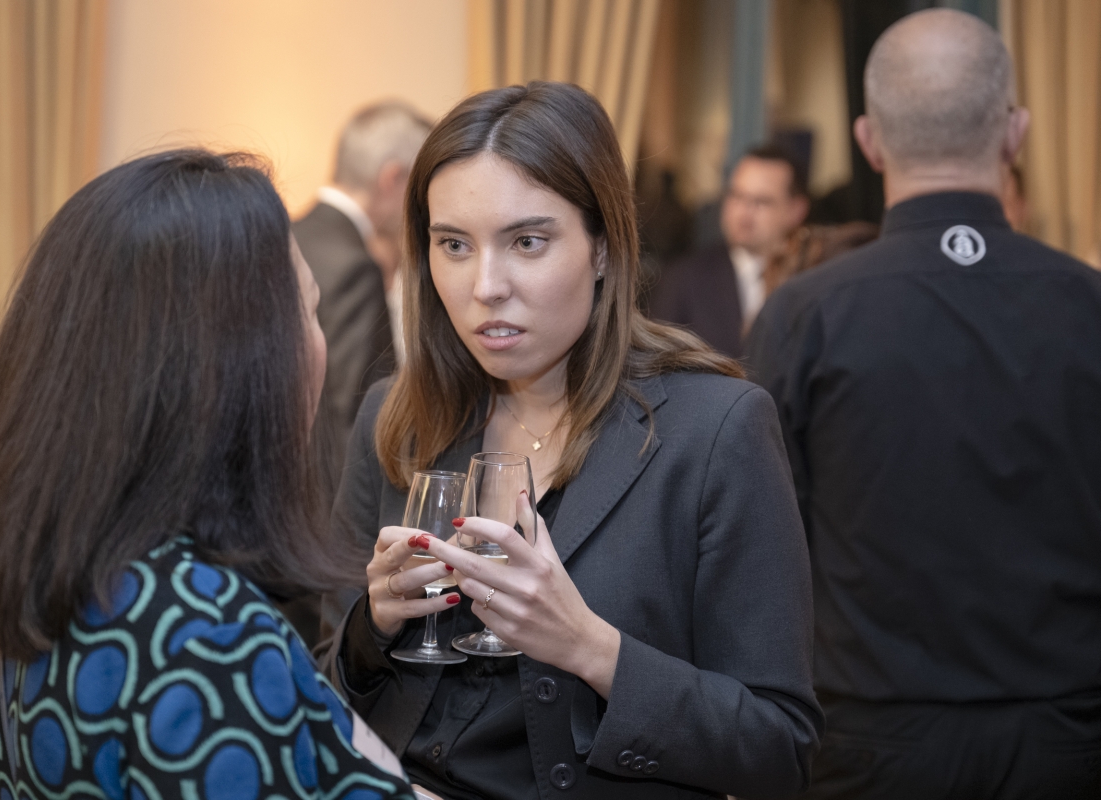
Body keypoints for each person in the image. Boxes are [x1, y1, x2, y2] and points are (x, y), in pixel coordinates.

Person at [324, 81, 822, 799]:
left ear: (603, 248)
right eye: (454, 245)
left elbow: (778, 748)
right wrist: (370, 628)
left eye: (527, 242)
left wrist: (591, 648)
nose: (485, 286)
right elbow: (319, 681)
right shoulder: (396, 416)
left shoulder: (715, 430)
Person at [0, 150, 415, 800]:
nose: (320, 347)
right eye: (309, 313)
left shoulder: (47, 576)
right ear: (237, 369)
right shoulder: (208, 635)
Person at [747, 10, 1101, 799]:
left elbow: (762, 546)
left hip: (865, 744)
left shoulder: (805, 315)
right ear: (1016, 133)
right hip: (1070, 741)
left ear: (868, 141)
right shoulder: (1089, 305)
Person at [293, 101, 432, 464]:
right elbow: (359, 413)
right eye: (420, 185)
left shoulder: (287, 236)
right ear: (392, 178)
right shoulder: (354, 267)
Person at [650, 144, 809, 357]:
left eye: (761, 202)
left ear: (796, 210)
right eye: (736, 196)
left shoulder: (810, 277)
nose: (744, 213)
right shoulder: (682, 278)